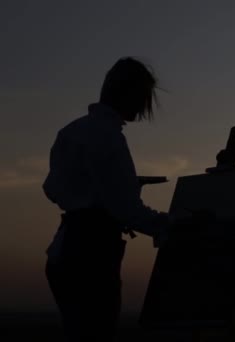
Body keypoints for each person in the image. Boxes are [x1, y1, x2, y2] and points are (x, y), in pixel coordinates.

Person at [43, 57, 171, 341]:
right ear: (129, 93)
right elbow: (128, 211)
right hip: (91, 258)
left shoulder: (71, 131)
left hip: (63, 254)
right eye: (143, 97)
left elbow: (52, 188)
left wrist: (101, 191)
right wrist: (168, 224)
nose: (144, 106)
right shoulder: (109, 137)